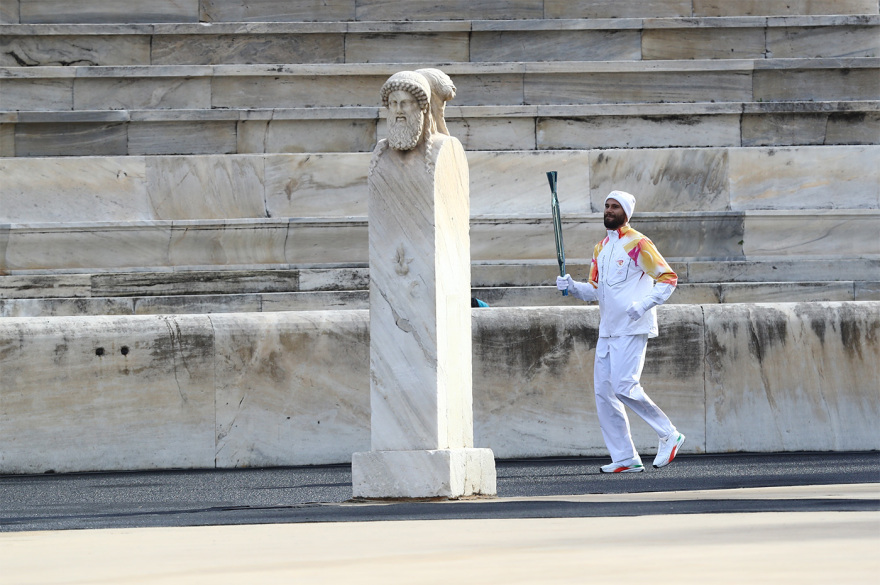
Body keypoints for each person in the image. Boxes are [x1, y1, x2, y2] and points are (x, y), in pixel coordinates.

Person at [556, 191, 685, 473]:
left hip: (632, 326)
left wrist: (644, 305)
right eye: (607, 206)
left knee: (624, 386)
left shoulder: (638, 243)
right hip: (608, 329)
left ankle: (668, 433)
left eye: (615, 207)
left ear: (626, 212)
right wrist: (571, 286)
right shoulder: (600, 248)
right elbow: (595, 288)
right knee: (604, 393)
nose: (609, 210)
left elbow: (668, 278)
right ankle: (625, 457)